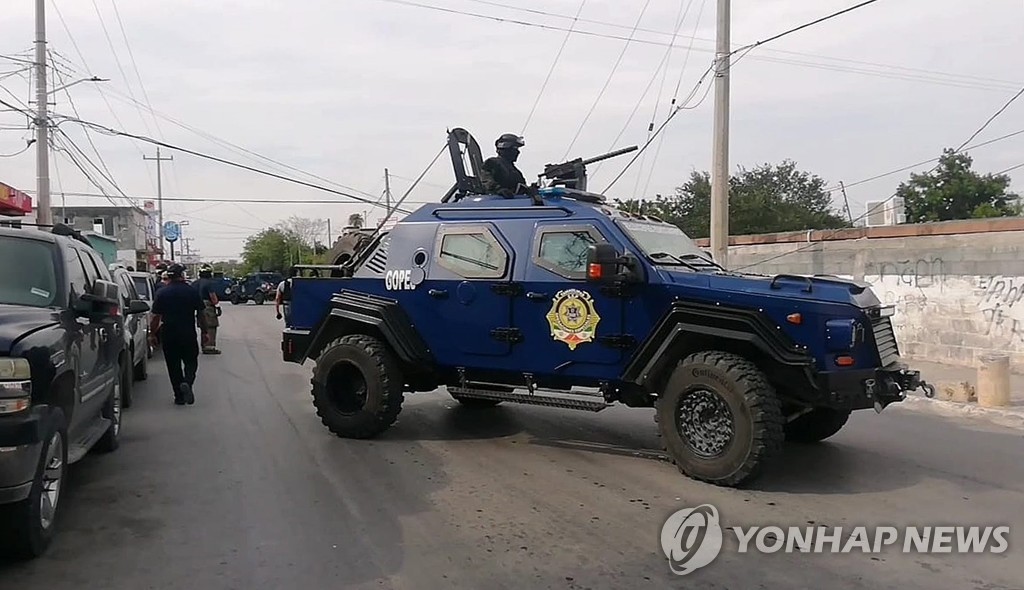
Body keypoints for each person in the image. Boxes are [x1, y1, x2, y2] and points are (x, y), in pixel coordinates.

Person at [149, 263, 208, 405]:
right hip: (188, 333)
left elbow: (155, 316)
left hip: (168, 334)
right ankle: (187, 382)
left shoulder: (162, 293)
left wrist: (152, 334)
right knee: (191, 361)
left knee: (173, 365)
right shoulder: (191, 291)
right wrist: (205, 332)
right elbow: (201, 314)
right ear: (182, 276)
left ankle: (179, 396)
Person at [480, 133, 528, 197]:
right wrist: (499, 189)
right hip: (496, 202)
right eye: (514, 148)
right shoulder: (492, 162)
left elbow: (521, 187)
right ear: (505, 149)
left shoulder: (515, 171)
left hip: (515, 202)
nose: (518, 152)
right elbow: (486, 180)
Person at [194, 264, 222, 355]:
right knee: (211, 326)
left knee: (203, 326)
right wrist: (217, 306)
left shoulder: (195, 283)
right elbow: (212, 296)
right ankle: (209, 347)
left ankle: (203, 345)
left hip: (197, 306)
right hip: (207, 306)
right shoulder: (209, 283)